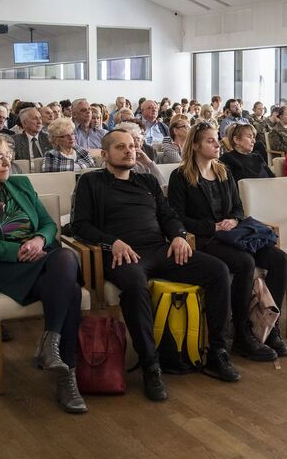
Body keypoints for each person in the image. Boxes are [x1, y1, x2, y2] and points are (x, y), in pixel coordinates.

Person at [72, 130, 241, 400]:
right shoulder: (90, 182)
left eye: (131, 146)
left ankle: (218, 351)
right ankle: (151, 364)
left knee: (218, 271)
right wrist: (112, 242)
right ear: (104, 154)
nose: (129, 151)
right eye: (120, 147)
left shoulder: (147, 181)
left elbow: (169, 215)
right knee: (136, 285)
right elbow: (80, 226)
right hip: (123, 255)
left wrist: (179, 235)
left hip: (159, 249)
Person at [0, 134, 86, 413]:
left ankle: (54, 350)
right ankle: (65, 374)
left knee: (65, 257)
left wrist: (38, 240)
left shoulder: (20, 184)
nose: (7, 162)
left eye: (7, 156)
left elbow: (48, 224)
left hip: (41, 259)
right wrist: (16, 251)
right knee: (70, 289)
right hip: (5, 267)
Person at [168, 123, 287, 361]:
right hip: (204, 239)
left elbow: (238, 207)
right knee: (244, 262)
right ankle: (242, 332)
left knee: (279, 258)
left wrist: (233, 220)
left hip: (232, 234)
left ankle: (269, 324)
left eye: (217, 139)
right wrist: (211, 226)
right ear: (195, 145)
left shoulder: (223, 171)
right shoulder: (180, 176)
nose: (217, 144)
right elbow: (177, 216)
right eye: (210, 141)